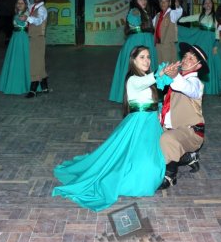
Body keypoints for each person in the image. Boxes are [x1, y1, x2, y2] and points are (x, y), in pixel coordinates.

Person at [53, 46, 166, 211]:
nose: (147, 60)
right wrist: (159, 73)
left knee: (152, 158)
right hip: (139, 125)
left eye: (148, 57)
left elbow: (155, 88)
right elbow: (145, 82)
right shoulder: (133, 79)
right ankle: (123, 180)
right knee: (140, 163)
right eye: (142, 57)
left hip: (150, 125)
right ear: (133, 60)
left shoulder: (146, 78)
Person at [158, 43, 208, 190]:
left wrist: (175, 76)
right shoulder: (176, 79)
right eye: (185, 56)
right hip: (173, 129)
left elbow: (187, 88)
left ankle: (170, 175)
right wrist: (163, 74)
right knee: (149, 141)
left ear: (198, 66)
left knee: (167, 139)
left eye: (192, 59)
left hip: (191, 132)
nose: (186, 60)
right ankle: (188, 157)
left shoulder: (196, 83)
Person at [108, 0, 157, 103]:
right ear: (135, 1)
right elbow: (134, 20)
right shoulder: (135, 11)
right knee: (135, 68)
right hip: (137, 43)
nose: (143, 1)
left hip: (145, 42)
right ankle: (132, 95)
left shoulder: (145, 12)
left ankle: (146, 94)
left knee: (144, 67)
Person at [177, 0, 221, 95]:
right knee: (201, 62)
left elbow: (217, 31)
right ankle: (199, 86)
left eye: (209, 2)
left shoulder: (216, 17)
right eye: (206, 3)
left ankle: (210, 88)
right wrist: (176, 16)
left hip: (211, 42)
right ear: (203, 5)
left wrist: (216, 44)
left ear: (212, 5)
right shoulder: (200, 16)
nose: (208, 4)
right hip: (202, 42)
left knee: (211, 62)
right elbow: (183, 20)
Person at [0, 0, 31, 95]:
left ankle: (23, 84)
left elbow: (22, 20)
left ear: (25, 5)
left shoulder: (26, 14)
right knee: (14, 60)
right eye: (18, 3)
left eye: (22, 3)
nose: (19, 4)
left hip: (22, 38)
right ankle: (13, 83)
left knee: (22, 60)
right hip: (15, 38)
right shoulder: (17, 13)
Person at [20, 0, 49, 98]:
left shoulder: (42, 9)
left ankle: (33, 90)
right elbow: (27, 3)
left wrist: (27, 18)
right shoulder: (33, 6)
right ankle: (45, 87)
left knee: (35, 63)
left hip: (38, 38)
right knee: (39, 62)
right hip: (32, 38)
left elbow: (38, 21)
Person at [153, 0, 183, 65]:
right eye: (161, 1)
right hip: (157, 46)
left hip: (168, 46)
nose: (163, 3)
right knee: (159, 67)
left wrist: (178, 7)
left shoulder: (172, 13)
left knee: (168, 67)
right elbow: (151, 26)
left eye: (166, 1)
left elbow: (178, 13)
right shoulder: (157, 15)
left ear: (169, 3)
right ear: (159, 3)